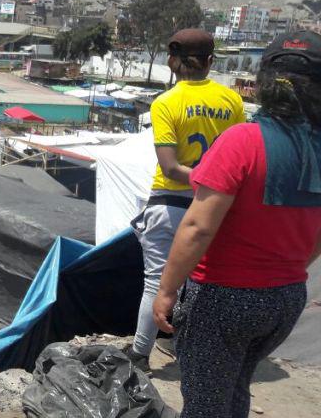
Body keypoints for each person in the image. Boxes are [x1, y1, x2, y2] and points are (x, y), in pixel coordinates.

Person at [152, 31, 321, 418]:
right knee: (234, 386)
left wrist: (166, 289)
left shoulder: (242, 141)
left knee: (205, 403)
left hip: (223, 297)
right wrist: (290, 271)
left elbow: (198, 227)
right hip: (286, 297)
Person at [126, 29, 246, 371]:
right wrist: (217, 183)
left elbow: (169, 166)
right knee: (198, 284)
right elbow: (239, 157)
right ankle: (187, 351)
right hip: (215, 210)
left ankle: (139, 355)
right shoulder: (232, 101)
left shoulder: (166, 102)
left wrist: (202, 177)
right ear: (210, 62)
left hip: (170, 204)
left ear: (171, 61)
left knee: (158, 281)